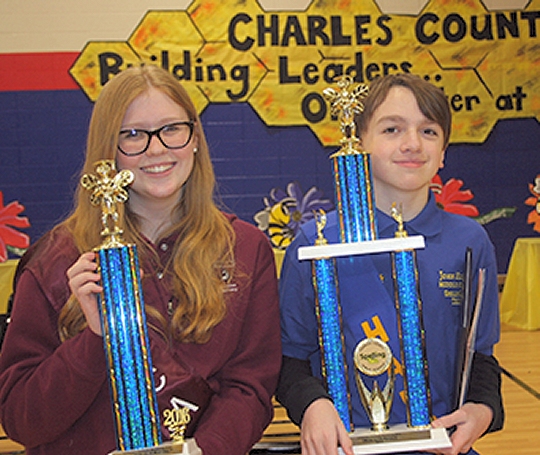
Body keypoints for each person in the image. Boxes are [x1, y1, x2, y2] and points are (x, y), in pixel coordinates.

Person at [0, 65, 281, 455]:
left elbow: (250, 387)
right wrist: (95, 340)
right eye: (132, 135)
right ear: (107, 150)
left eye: (172, 129)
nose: (157, 148)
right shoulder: (56, 260)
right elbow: (22, 420)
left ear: (195, 137)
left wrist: (206, 450)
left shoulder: (246, 250)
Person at [277, 73, 503, 455]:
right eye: (392, 129)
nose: (412, 143)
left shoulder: (469, 241)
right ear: (359, 143)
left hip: (439, 446)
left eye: (429, 131)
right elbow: (288, 359)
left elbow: (479, 356)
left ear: (445, 149)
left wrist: (482, 410)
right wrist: (312, 406)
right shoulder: (315, 243)